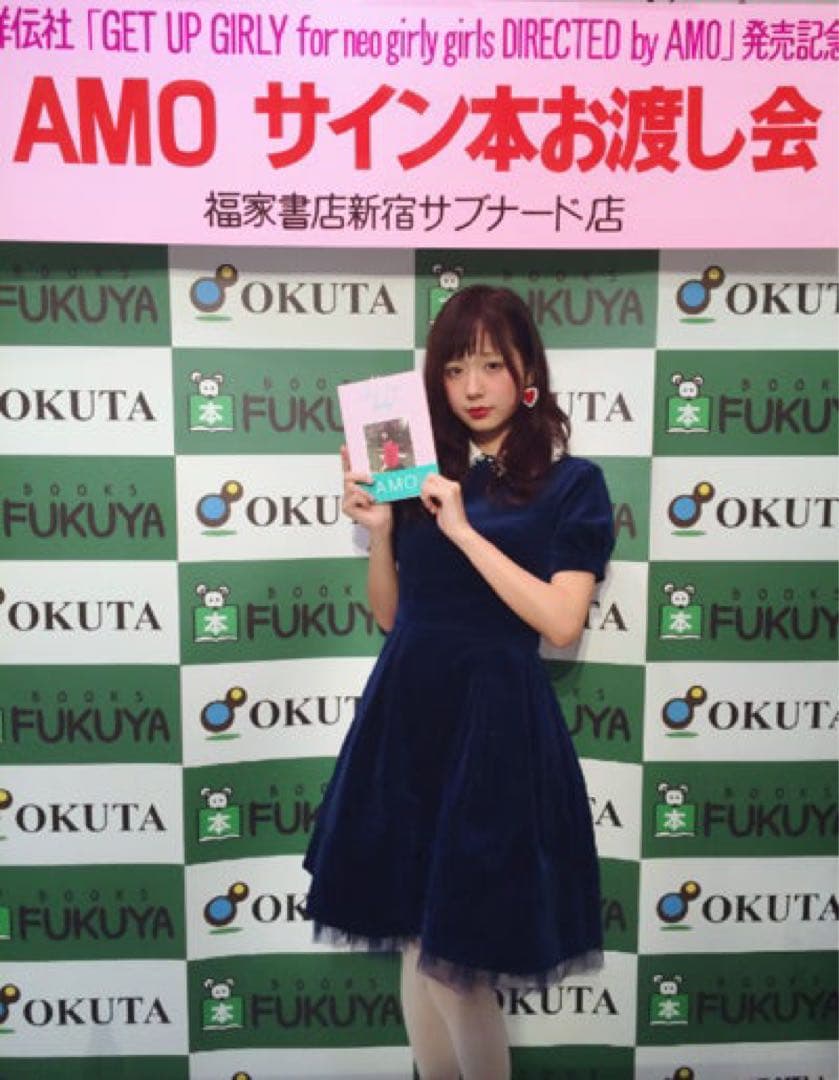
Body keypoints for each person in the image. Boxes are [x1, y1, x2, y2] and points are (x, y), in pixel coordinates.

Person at [303, 285, 615, 1080]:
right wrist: (381, 532)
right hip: (406, 717)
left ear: (527, 372)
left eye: (490, 365)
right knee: (416, 940)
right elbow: (390, 615)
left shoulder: (572, 484)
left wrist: (465, 532)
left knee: (456, 965)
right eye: (453, 369)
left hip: (493, 726)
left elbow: (560, 622)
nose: (472, 387)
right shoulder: (416, 476)